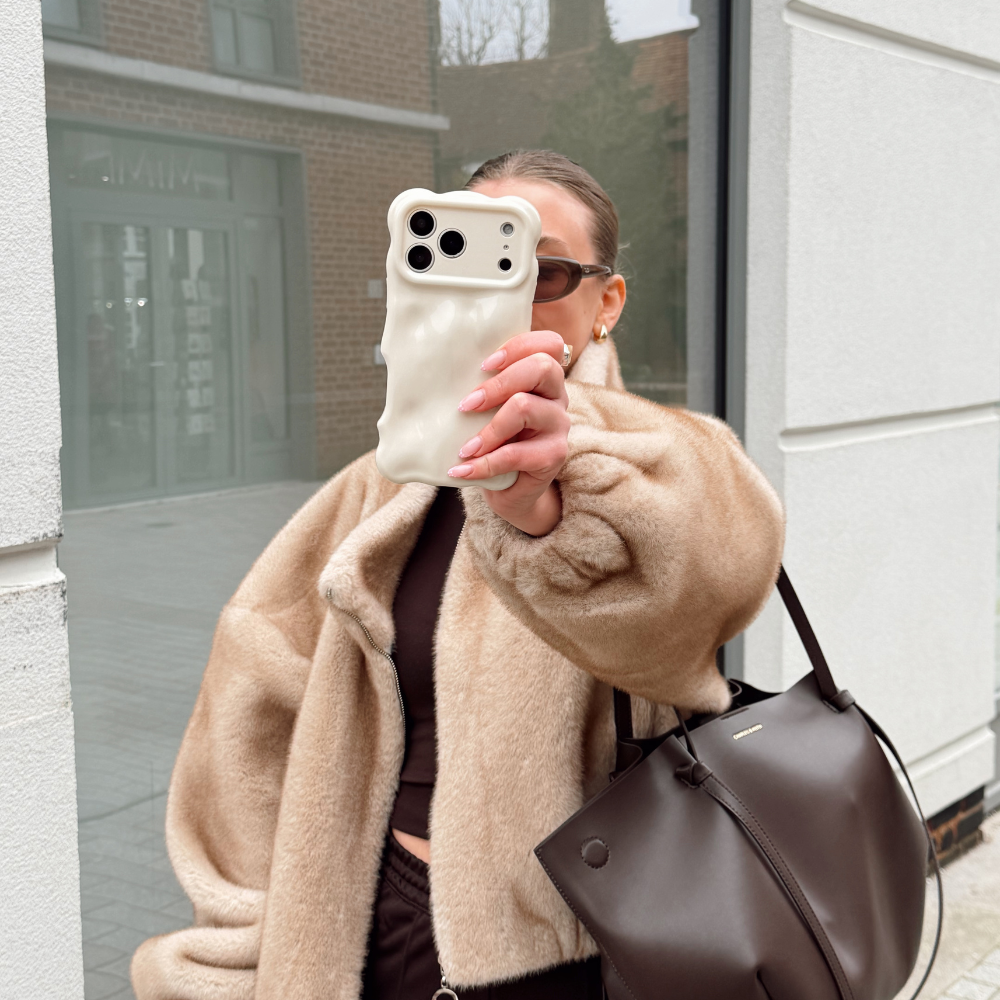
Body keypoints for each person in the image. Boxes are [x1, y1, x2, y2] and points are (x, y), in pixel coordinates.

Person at [131, 149, 784, 1000]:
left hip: (591, 938)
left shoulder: (661, 462)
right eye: (468, 262)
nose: (508, 299)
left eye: (539, 270)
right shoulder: (377, 490)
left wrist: (559, 501)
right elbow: (254, 700)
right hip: (374, 925)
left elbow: (722, 572)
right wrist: (245, 936)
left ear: (607, 303)